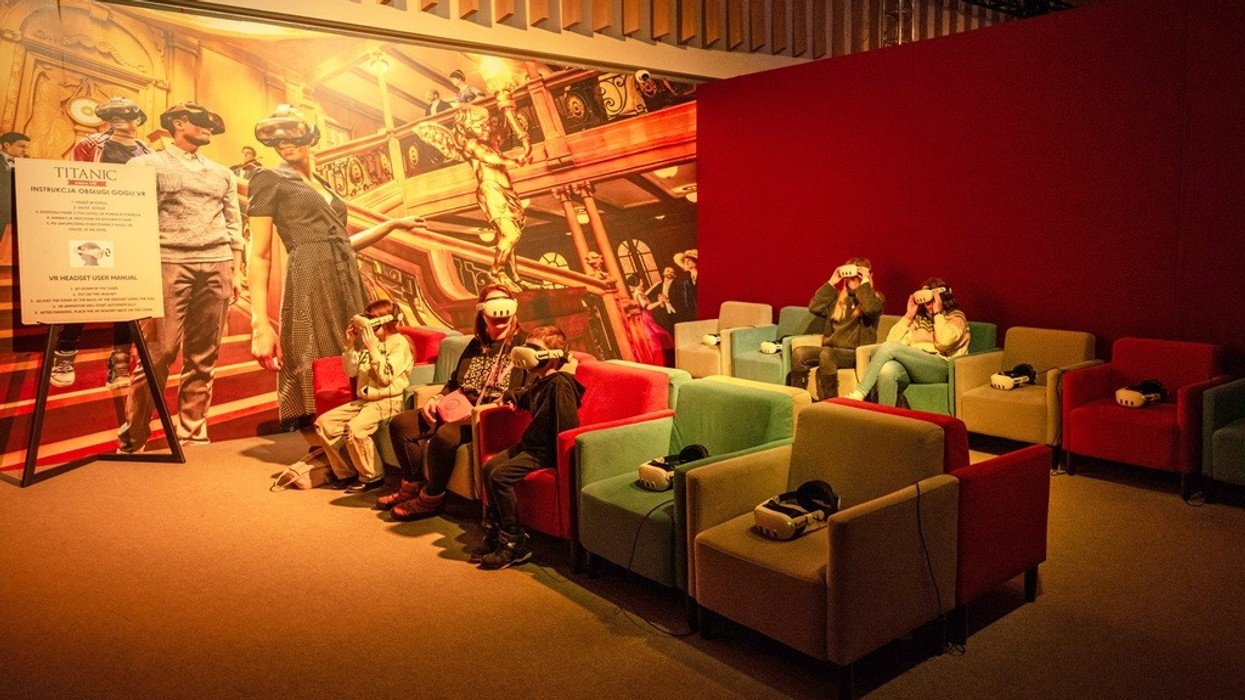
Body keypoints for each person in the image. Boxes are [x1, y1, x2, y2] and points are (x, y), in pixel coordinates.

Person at [246, 105, 423, 430]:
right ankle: (322, 440)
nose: (283, 143)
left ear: (310, 134)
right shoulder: (268, 178)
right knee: (316, 356)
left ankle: (357, 435)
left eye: (291, 133)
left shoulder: (325, 185)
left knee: (359, 354)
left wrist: (392, 224)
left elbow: (341, 242)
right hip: (310, 278)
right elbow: (258, 254)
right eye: (276, 138)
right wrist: (259, 323)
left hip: (347, 278)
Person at [117, 102, 244, 453]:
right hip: (166, 262)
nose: (207, 131)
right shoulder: (144, 164)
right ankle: (134, 436)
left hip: (216, 262)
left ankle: (192, 430)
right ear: (178, 123)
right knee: (158, 352)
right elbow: (129, 216)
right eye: (201, 123)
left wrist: (235, 267)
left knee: (204, 356)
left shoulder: (222, 173)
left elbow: (233, 223)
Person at [381, 284, 530, 520]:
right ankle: (411, 486)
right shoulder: (476, 344)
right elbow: (455, 381)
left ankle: (431, 498)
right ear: (482, 313)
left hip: (489, 415)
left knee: (446, 435)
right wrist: (437, 398)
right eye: (493, 304)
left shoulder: (525, 346)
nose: (499, 313)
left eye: (504, 302)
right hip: (460, 405)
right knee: (401, 424)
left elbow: (527, 389)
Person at [53, 98, 151, 389]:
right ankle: (65, 352)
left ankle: (120, 358)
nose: (123, 121)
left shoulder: (146, 151)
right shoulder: (91, 144)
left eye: (128, 116)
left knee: (126, 291)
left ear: (137, 120)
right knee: (84, 285)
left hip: (131, 223)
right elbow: (77, 180)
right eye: (116, 115)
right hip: (94, 219)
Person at [476, 326, 583, 569]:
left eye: (535, 349)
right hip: (529, 445)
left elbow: (567, 428)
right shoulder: (541, 381)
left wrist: (558, 459)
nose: (527, 353)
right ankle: (496, 529)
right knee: (489, 467)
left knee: (500, 477)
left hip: (542, 451)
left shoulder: (560, 385)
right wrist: (512, 396)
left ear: (553, 356)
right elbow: (528, 395)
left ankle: (514, 541)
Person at [313, 299, 413, 493]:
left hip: (387, 400)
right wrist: (349, 345)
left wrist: (374, 348)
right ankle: (346, 472)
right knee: (324, 423)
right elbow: (351, 371)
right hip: (365, 400)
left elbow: (386, 377)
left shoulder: (399, 344)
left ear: (383, 322)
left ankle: (372, 476)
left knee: (355, 429)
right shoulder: (369, 345)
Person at [847, 278, 970, 407]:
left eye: (929, 297)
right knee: (887, 371)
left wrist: (938, 313)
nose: (927, 302)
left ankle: (860, 393)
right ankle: (886, 419)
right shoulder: (920, 320)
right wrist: (908, 316)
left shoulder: (956, 317)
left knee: (888, 349)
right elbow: (891, 341)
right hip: (916, 366)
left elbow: (945, 341)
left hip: (942, 366)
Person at [787, 257, 885, 398]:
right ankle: (797, 397)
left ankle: (831, 402)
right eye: (849, 276)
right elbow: (814, 307)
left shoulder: (875, 299)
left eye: (856, 276)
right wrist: (832, 281)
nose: (852, 279)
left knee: (827, 355)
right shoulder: (838, 299)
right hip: (830, 350)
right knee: (799, 353)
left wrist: (865, 282)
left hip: (854, 353)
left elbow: (870, 309)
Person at [1, 131, 30, 266]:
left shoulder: (28, 162)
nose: (24, 150)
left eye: (26, 147)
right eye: (21, 146)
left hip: (20, 209)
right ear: (7, 145)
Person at [672, 248, 698, 322]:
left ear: (695, 261)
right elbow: (688, 302)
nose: (686, 263)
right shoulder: (686, 282)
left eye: (689, 260)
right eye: (685, 261)